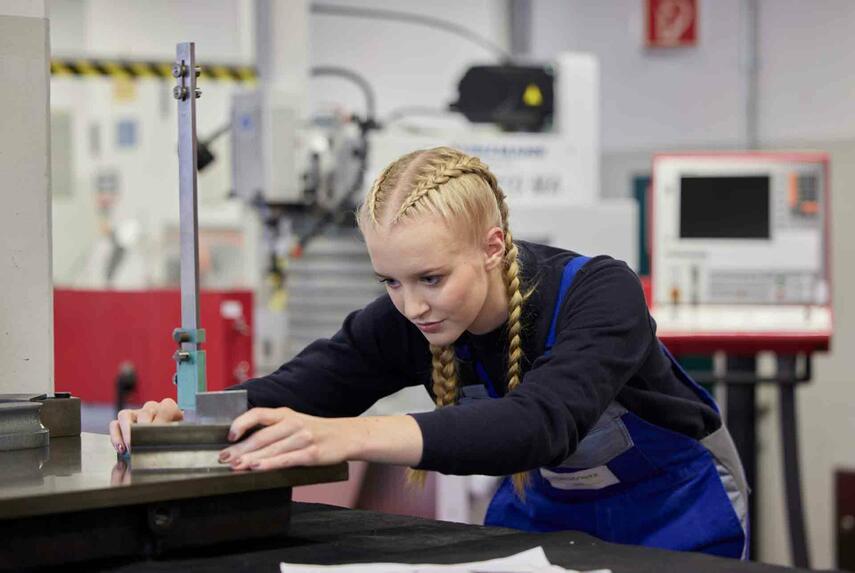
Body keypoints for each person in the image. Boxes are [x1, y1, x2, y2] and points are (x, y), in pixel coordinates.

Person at [110, 146, 749, 559]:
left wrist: (350, 437)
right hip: (548, 507)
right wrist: (186, 420)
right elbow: (302, 389)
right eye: (390, 281)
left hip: (674, 506)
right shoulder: (406, 322)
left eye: (431, 279)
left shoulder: (598, 293)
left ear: (493, 246)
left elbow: (541, 423)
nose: (411, 305)